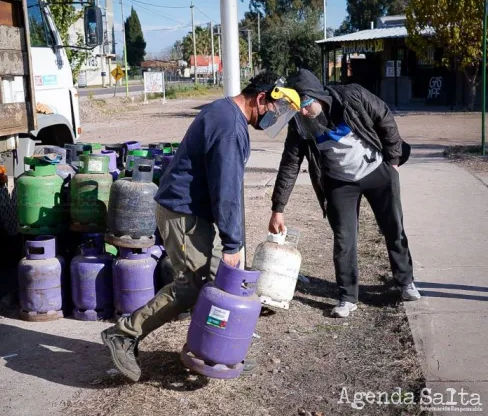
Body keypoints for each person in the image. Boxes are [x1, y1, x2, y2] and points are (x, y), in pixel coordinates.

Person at [102, 71, 301, 382]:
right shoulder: (230, 128)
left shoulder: (224, 111)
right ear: (261, 98)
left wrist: (231, 240)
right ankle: (123, 335)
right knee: (192, 286)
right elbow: (226, 190)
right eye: (273, 111)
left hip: (193, 213)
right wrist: (233, 244)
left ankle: (212, 350)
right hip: (182, 213)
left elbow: (224, 188)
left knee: (213, 282)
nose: (272, 118)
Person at [268, 68, 420, 319]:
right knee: (344, 240)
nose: (303, 112)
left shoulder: (352, 97)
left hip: (376, 171)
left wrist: (392, 162)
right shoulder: (299, 124)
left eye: (306, 105)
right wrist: (278, 208)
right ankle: (348, 297)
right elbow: (290, 164)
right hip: (340, 184)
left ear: (317, 96)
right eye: (298, 108)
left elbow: (384, 117)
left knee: (393, 228)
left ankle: (405, 283)